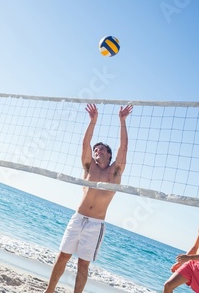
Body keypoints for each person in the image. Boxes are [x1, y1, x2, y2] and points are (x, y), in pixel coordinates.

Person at [44, 103, 133, 293]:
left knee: (83, 265)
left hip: (95, 224)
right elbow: (85, 144)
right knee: (62, 257)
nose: (97, 151)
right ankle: (48, 291)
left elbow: (123, 148)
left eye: (101, 149)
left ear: (109, 155)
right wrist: (92, 122)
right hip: (78, 218)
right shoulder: (88, 168)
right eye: (96, 149)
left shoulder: (115, 172)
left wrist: (122, 121)